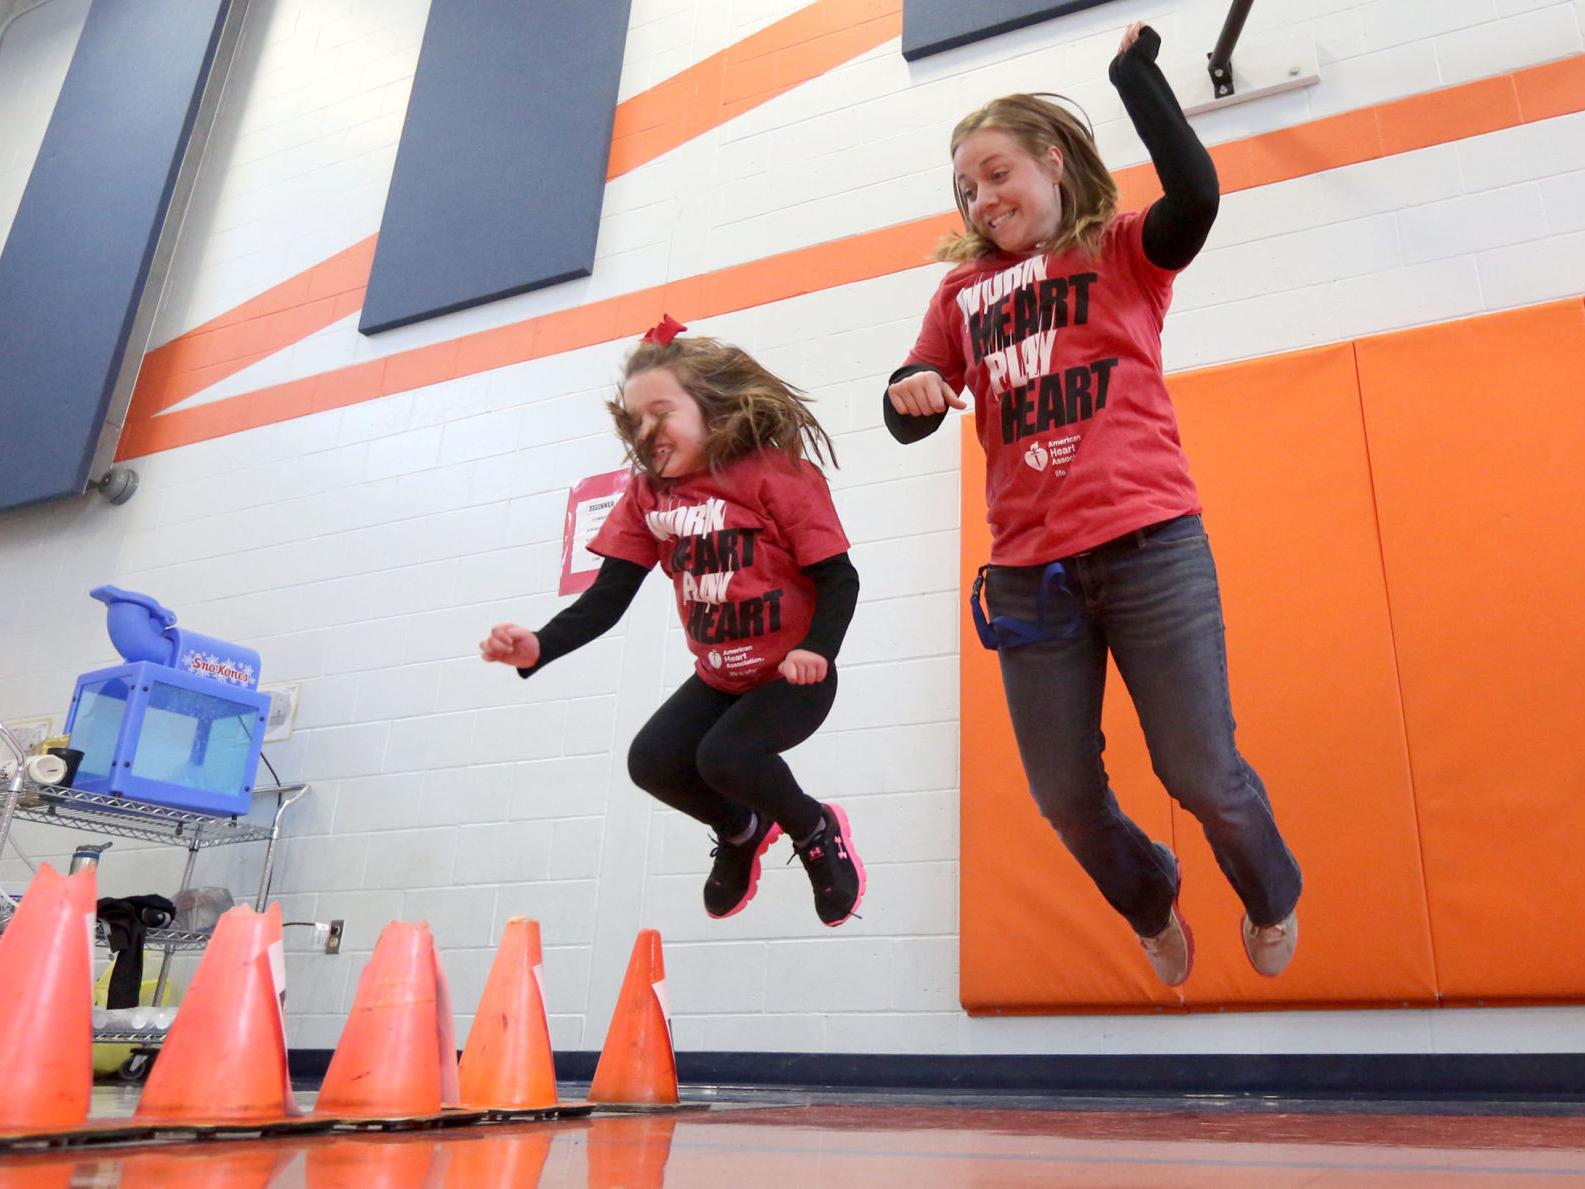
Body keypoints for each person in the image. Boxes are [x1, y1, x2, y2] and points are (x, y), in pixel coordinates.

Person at [884, 24, 1301, 985]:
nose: (983, 199)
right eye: (966, 190)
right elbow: (915, 392)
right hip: (1032, 577)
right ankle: (1149, 893)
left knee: (1201, 775)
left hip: (1150, 547)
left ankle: (1271, 892)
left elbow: (1195, 195)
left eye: (996, 174)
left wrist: (1133, 77)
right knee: (1064, 798)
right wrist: (905, 391)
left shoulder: (1117, 253)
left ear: (1053, 162)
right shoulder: (960, 295)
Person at [482, 316, 866, 927]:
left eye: (661, 411)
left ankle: (816, 830)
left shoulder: (777, 476)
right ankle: (741, 829)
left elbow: (838, 576)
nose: (647, 431)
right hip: (719, 678)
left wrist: (817, 648)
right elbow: (607, 599)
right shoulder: (647, 496)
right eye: (635, 420)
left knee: (724, 756)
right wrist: (538, 646)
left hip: (791, 677)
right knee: (652, 761)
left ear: (711, 407)